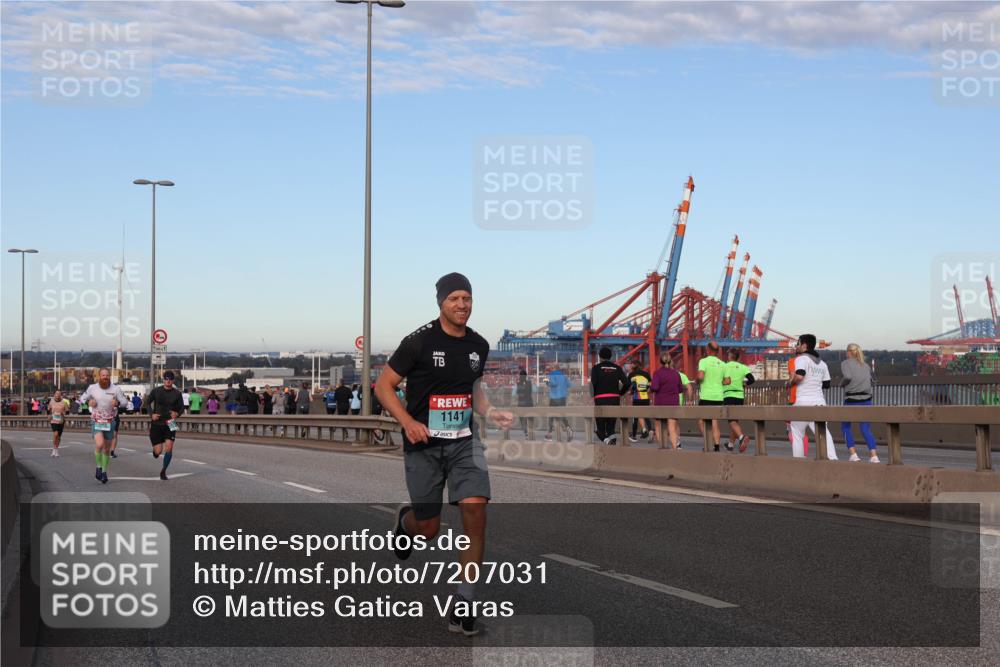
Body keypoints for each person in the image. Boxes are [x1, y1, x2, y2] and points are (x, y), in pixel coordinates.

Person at [374, 272, 512, 637]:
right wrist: (406, 421)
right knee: (429, 529)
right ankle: (407, 524)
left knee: (475, 509)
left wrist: (490, 411)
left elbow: (474, 392)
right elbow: (383, 386)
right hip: (423, 445)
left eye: (467, 298)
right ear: (441, 302)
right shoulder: (417, 342)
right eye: (455, 299)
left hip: (464, 441)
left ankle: (462, 606)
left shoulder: (478, 345)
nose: (462, 305)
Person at [788, 334, 838, 460]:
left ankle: (799, 462)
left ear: (804, 345)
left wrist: (790, 382)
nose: (796, 346)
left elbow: (800, 376)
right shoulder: (822, 364)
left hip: (802, 403)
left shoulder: (801, 359)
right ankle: (833, 458)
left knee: (797, 432)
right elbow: (826, 385)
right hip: (819, 402)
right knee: (823, 432)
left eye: (798, 344)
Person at [79, 369, 128, 484]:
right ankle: (98, 467)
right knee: (99, 444)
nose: (105, 377)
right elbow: (81, 399)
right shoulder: (92, 388)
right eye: (103, 375)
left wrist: (118, 403)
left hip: (110, 421)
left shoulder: (116, 389)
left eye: (107, 375)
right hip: (97, 420)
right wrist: (89, 402)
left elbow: (125, 402)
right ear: (99, 376)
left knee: (106, 449)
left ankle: (104, 472)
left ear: (109, 376)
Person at [841, 343, 879, 463]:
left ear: (848, 352)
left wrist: (841, 384)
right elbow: (874, 381)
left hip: (851, 400)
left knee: (845, 427)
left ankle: (853, 454)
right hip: (867, 400)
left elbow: (847, 376)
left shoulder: (845, 363)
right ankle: (874, 456)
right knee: (866, 429)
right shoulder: (866, 365)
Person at [143, 370, 184, 480]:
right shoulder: (156, 391)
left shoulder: (177, 393)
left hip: (171, 422)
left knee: (169, 448)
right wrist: (151, 415)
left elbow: (182, 408)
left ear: (173, 380)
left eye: (170, 379)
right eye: (166, 379)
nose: (168, 381)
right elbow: (147, 403)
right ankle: (155, 452)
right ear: (163, 380)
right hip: (157, 422)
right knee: (158, 451)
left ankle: (163, 471)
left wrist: (177, 414)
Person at [590, 347, 628, 445]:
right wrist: (620, 393)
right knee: (611, 427)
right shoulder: (617, 368)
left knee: (600, 429)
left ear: (600, 356)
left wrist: (592, 397)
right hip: (614, 399)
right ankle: (612, 440)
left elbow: (593, 384)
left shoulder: (596, 368)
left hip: (600, 399)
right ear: (610, 356)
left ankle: (607, 441)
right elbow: (627, 383)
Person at [722, 349, 755, 453]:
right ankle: (730, 445)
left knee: (731, 421)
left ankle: (741, 437)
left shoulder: (724, 366)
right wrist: (744, 384)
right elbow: (752, 380)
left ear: (730, 356)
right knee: (735, 421)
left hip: (728, 395)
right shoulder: (743, 367)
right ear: (738, 357)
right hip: (740, 396)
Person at [696, 341, 726, 451]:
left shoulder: (703, 361)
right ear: (717, 351)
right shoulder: (722, 364)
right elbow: (727, 381)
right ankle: (717, 446)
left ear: (708, 350)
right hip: (718, 396)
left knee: (701, 421)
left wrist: (697, 380)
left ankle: (709, 442)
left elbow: (700, 376)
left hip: (706, 396)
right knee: (714, 421)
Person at [649, 352, 683, 449]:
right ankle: (674, 449)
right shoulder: (676, 374)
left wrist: (650, 388)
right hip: (673, 403)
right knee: (672, 428)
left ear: (660, 361)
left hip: (661, 403)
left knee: (658, 426)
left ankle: (662, 448)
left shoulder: (658, 373)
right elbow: (680, 389)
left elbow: (654, 387)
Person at [544, 365, 572, 441]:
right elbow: (569, 385)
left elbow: (553, 384)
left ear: (553, 368)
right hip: (563, 398)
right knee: (562, 415)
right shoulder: (564, 376)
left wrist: (546, 381)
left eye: (551, 368)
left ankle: (549, 433)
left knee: (551, 415)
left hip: (554, 398)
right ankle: (568, 428)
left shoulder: (551, 375)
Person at [627, 359, 652, 443]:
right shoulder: (646, 374)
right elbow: (650, 385)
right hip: (645, 397)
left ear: (634, 365)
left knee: (635, 417)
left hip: (637, 397)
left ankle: (633, 436)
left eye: (631, 364)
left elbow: (632, 386)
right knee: (646, 415)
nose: (630, 366)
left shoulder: (631, 375)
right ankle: (650, 430)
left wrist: (630, 392)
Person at [47, 390, 70, 457]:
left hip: (61, 421)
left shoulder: (64, 402)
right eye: (56, 393)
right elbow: (48, 409)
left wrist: (63, 413)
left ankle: (56, 450)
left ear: (61, 395)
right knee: (55, 434)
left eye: (59, 394)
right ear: (54, 394)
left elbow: (67, 411)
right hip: (53, 420)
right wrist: (49, 415)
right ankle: (54, 449)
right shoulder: (51, 401)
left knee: (58, 437)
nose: (57, 395)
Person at [513, 368, 534, 437]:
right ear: (526, 376)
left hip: (521, 404)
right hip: (529, 403)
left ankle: (525, 431)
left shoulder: (518, 384)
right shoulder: (530, 383)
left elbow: (514, 394)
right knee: (530, 417)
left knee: (521, 418)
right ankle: (530, 431)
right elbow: (535, 390)